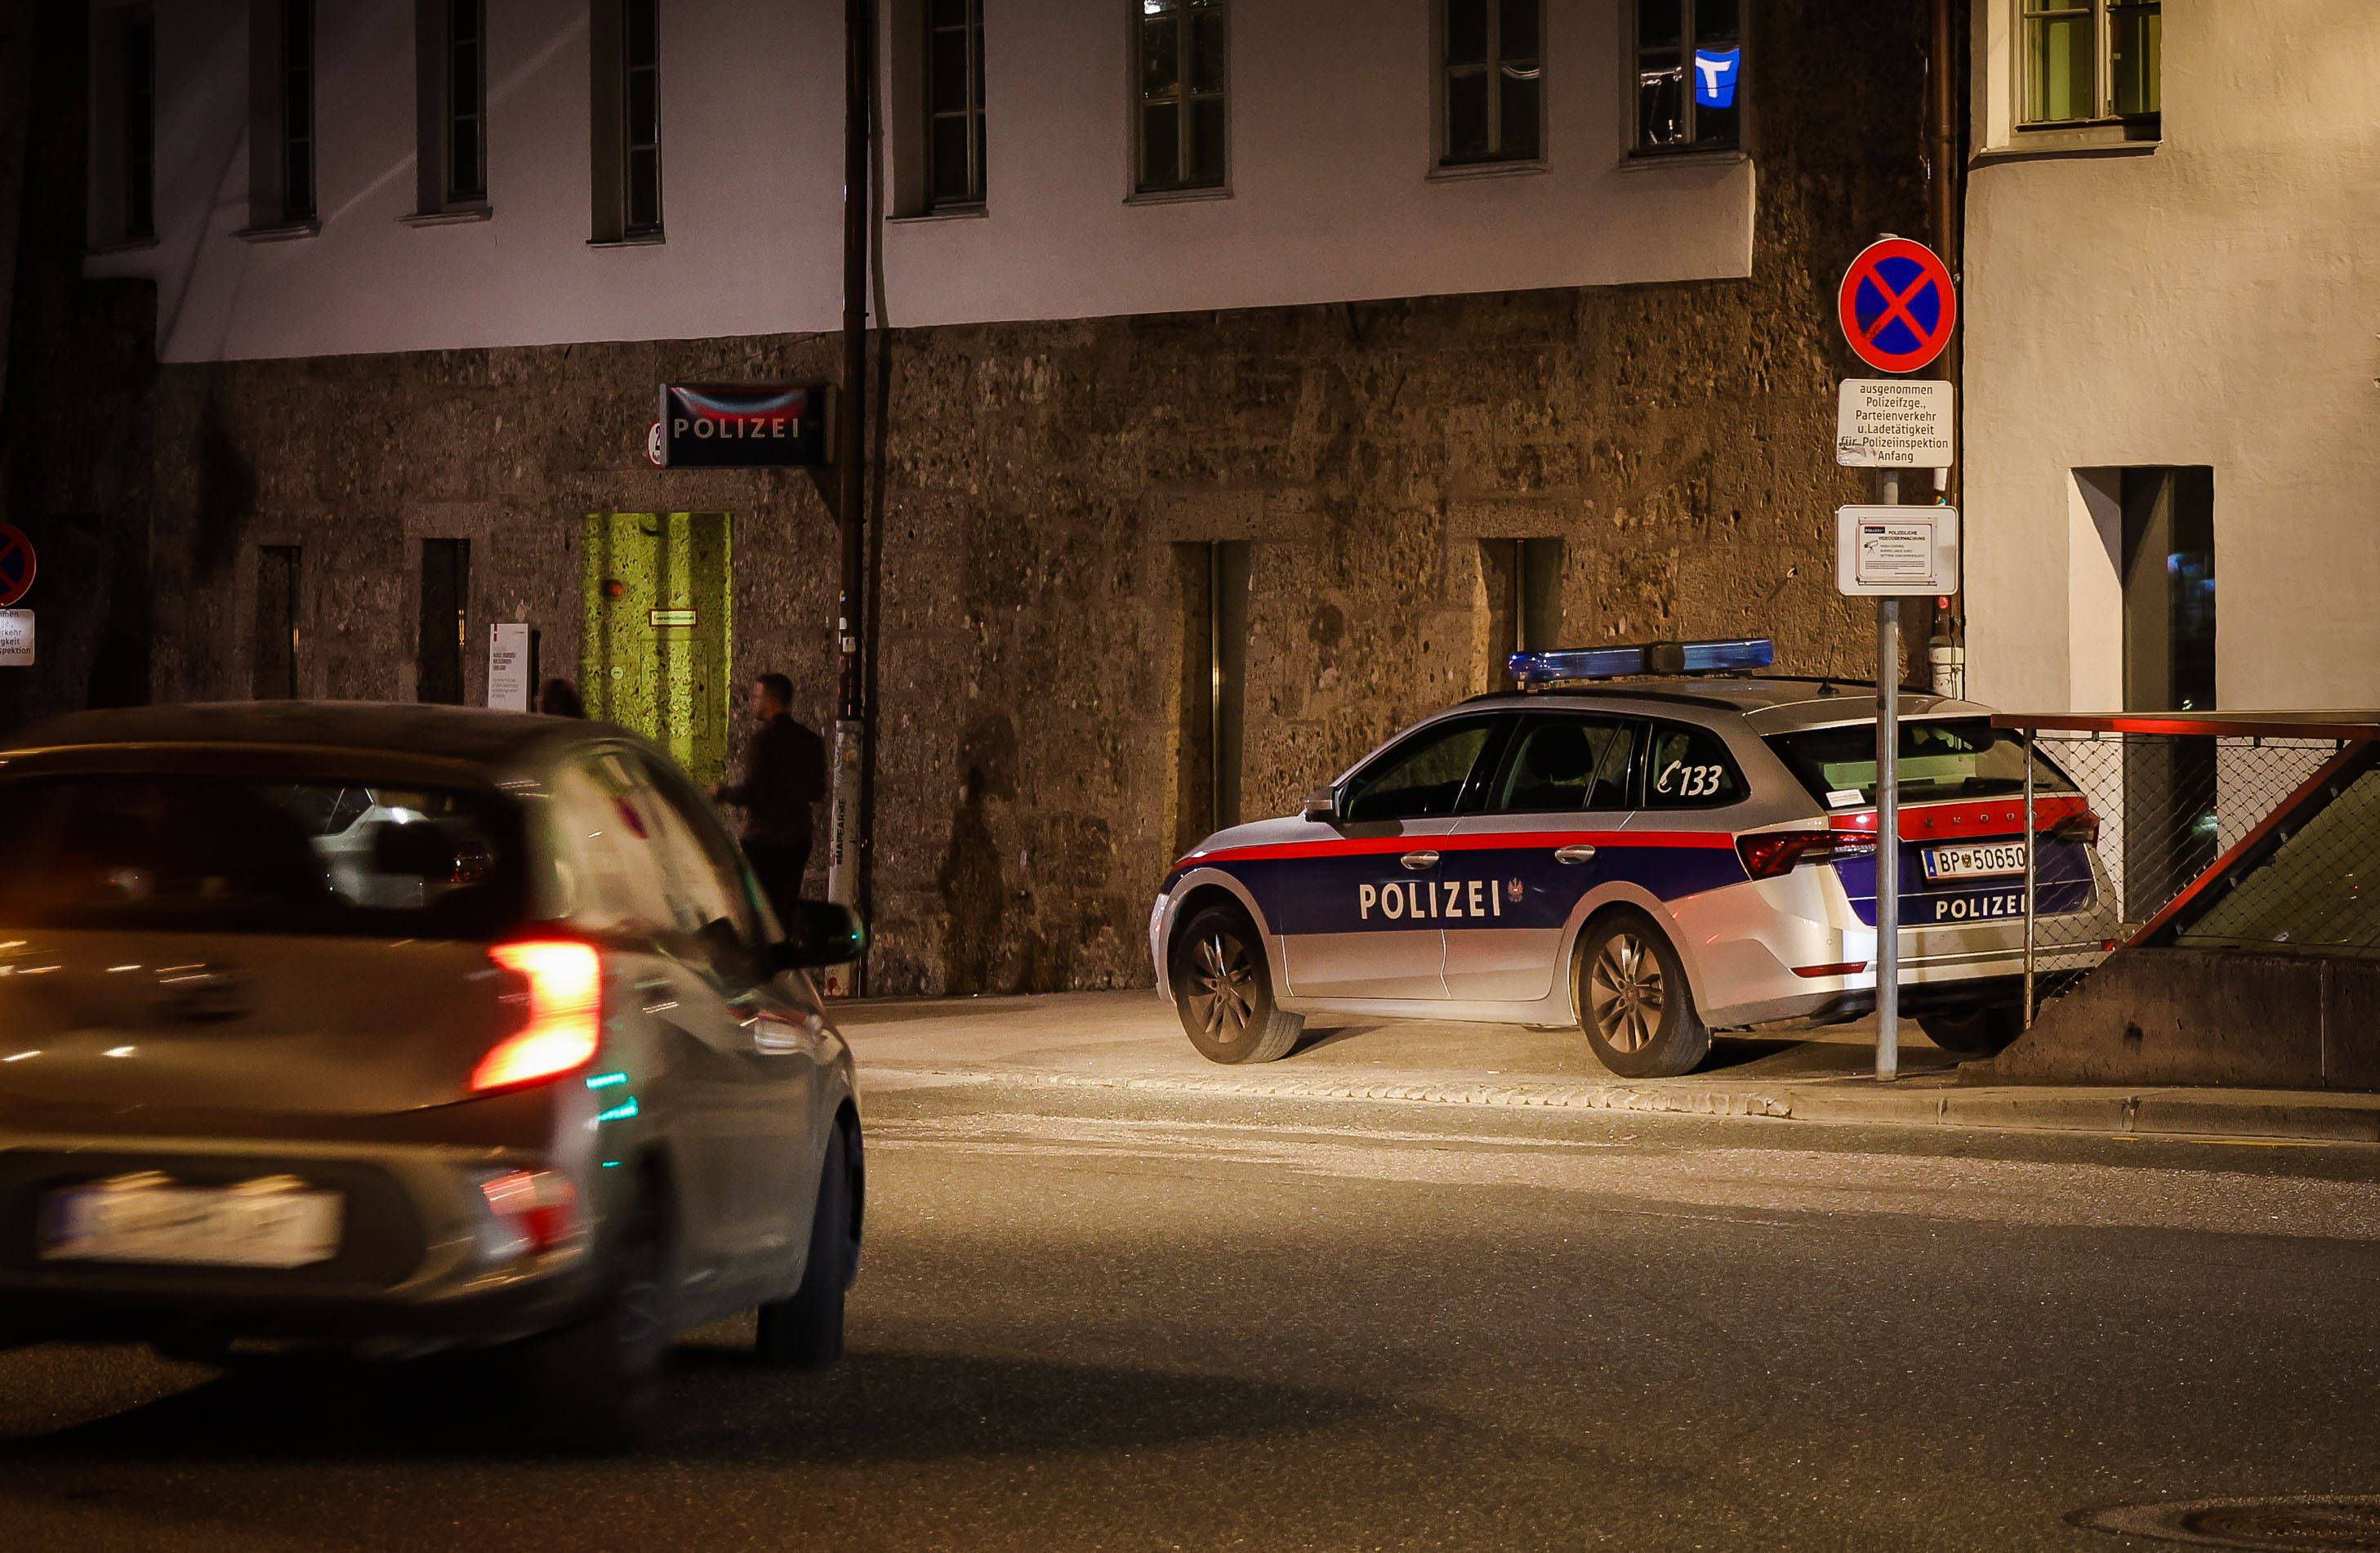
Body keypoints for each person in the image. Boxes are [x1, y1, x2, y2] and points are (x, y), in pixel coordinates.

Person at [711, 673, 827, 923]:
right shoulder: (811, 742)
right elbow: (817, 790)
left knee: (755, 913)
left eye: (757, 696)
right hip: (797, 839)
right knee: (784, 910)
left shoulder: (764, 741)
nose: (753, 702)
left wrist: (722, 793)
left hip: (764, 841)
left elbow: (752, 792)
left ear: (771, 700)